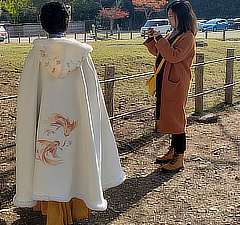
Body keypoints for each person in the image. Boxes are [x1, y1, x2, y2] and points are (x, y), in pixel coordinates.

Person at [13, 2, 126, 224]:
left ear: (42, 24)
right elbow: (91, 101)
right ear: (67, 22)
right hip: (75, 127)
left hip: (45, 131)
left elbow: (28, 102)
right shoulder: (81, 56)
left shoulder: (36, 56)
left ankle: (49, 204)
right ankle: (76, 203)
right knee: (78, 149)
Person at [143, 0, 197, 172]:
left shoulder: (187, 37)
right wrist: (153, 40)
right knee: (170, 116)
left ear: (180, 16)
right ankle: (173, 151)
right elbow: (160, 52)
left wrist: (159, 39)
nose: (169, 19)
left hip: (176, 83)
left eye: (171, 16)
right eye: (168, 15)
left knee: (177, 120)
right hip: (166, 82)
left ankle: (179, 158)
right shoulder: (174, 33)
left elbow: (173, 56)